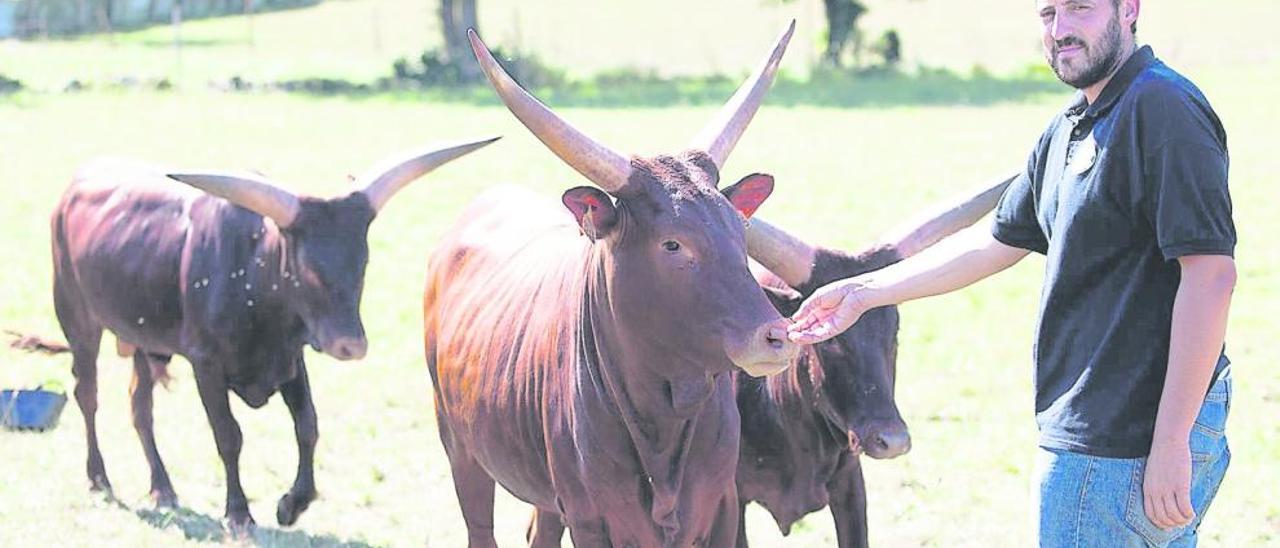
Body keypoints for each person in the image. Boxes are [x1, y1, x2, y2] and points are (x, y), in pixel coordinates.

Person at [786, 0, 1236, 545]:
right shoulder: (1072, 126)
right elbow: (996, 240)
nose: (1061, 30)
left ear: (1129, 9)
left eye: (1080, 9)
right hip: (1107, 432)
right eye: (1047, 14)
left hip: (1121, 440)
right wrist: (863, 292)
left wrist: (1171, 441)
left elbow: (1210, 277)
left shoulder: (1162, 109)